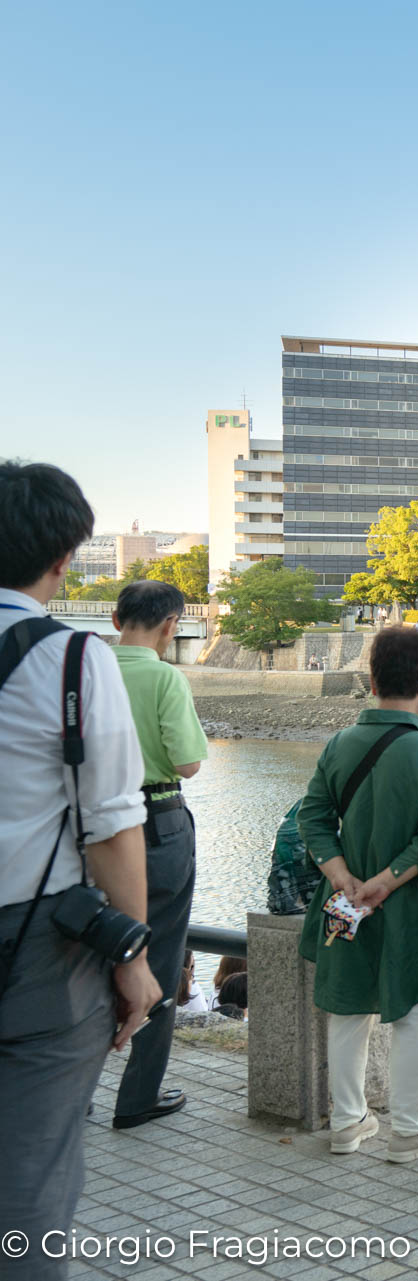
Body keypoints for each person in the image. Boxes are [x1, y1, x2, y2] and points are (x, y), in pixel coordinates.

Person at [0, 462, 160, 1281]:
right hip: (40, 952)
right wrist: (132, 959)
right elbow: (112, 828)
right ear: (64, 558)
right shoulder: (71, 661)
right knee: (31, 1177)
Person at [298, 625, 418, 1161]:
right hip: (412, 899)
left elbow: (314, 817)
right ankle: (410, 1127)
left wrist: (343, 876)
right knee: (415, 1010)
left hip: (346, 901)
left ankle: (348, 1122)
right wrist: (387, 881)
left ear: (371, 681)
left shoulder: (340, 743)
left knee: (348, 1006)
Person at [109, 580, 209, 1129]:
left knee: (88, 953)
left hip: (93, 824)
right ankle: (137, 1097)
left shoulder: (84, 670)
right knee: (163, 957)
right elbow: (188, 762)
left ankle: (70, 1090)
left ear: (116, 617)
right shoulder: (164, 676)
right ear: (171, 625)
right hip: (158, 822)